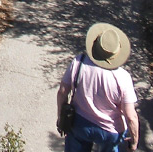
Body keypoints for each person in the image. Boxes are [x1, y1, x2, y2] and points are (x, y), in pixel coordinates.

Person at [57, 23, 139, 152]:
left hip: (79, 123)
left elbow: (62, 92)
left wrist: (61, 118)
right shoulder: (123, 78)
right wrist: (134, 142)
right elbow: (131, 116)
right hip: (110, 131)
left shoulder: (79, 62)